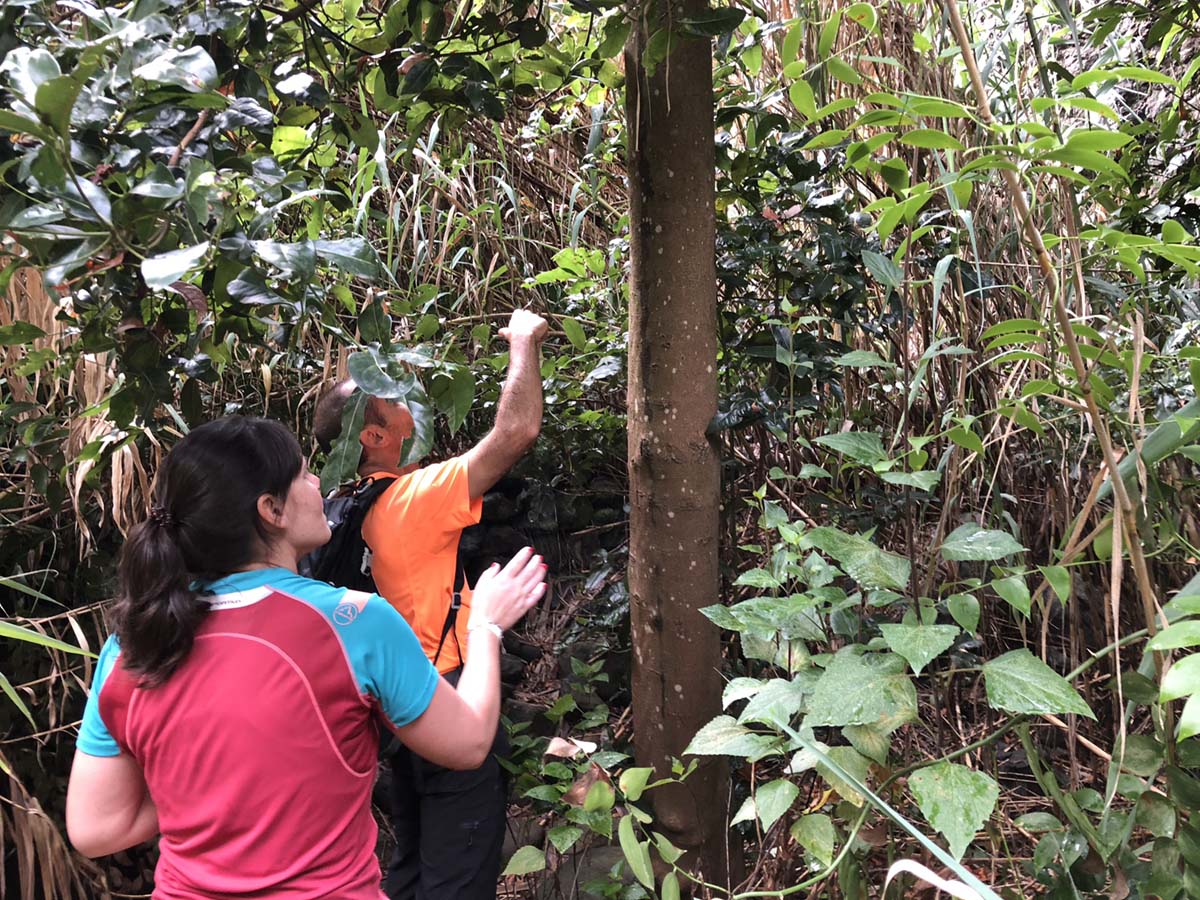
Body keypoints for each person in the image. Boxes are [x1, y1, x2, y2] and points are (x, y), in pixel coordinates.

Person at [65, 416, 546, 899]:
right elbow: (466, 744)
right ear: (272, 509)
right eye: (302, 475)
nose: (318, 482)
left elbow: (95, 828)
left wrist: (206, 796)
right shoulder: (353, 622)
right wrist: (485, 625)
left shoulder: (134, 642)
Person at [312, 308, 548, 900]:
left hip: (390, 711)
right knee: (459, 877)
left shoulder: (343, 510)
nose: (414, 410)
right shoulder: (415, 498)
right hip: (446, 698)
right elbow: (515, 433)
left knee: (411, 866)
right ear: (373, 438)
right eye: (397, 406)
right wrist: (523, 342)